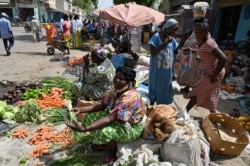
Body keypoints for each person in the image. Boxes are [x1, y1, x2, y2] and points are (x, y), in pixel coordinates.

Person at [65, 66, 146, 156]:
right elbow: (102, 105)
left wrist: (84, 129)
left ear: (129, 82)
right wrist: (80, 109)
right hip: (118, 120)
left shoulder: (130, 97)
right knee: (89, 117)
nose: (117, 80)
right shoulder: (116, 90)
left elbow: (110, 118)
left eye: (121, 79)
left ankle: (113, 151)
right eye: (116, 77)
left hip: (131, 127)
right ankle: (104, 143)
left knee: (105, 132)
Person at [184, 19, 227, 113]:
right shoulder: (202, 41)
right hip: (209, 72)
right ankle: (213, 115)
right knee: (211, 94)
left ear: (206, 32)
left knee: (197, 92)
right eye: (195, 32)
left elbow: (223, 58)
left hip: (214, 73)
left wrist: (214, 75)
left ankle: (184, 113)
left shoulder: (209, 43)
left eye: (199, 32)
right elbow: (207, 54)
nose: (197, 34)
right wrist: (194, 52)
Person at [148, 18, 179, 105]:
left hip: (167, 71)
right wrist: (165, 43)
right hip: (156, 70)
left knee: (164, 88)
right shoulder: (156, 37)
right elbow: (153, 52)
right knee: (154, 86)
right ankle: (151, 105)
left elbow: (172, 56)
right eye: (173, 29)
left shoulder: (172, 39)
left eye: (176, 30)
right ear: (167, 27)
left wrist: (172, 72)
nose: (175, 32)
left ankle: (161, 106)